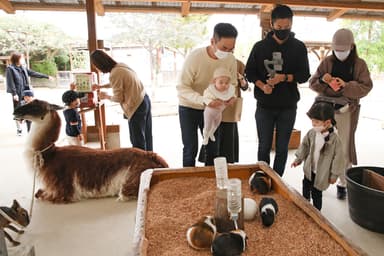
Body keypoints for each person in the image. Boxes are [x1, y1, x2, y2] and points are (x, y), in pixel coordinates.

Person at [244, 4, 310, 176]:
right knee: (264, 145)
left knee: (282, 148)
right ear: (272, 25)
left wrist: (285, 77)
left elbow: (304, 75)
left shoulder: (298, 47)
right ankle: (262, 177)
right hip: (264, 105)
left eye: (287, 27)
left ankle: (277, 180)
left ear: (291, 24)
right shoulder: (260, 47)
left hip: (288, 106)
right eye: (280, 27)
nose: (283, 30)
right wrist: (262, 85)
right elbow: (249, 72)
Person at [309, 28, 373, 200]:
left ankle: (343, 183)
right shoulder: (327, 62)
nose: (339, 53)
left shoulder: (359, 64)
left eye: (343, 50)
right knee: (321, 145)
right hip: (325, 111)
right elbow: (312, 83)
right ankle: (318, 181)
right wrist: (323, 80)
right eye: (336, 49)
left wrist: (346, 85)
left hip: (346, 111)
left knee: (344, 148)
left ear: (351, 47)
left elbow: (366, 87)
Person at [177, 23, 238, 167]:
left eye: (231, 49)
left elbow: (233, 84)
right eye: (224, 48)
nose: (227, 52)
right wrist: (204, 101)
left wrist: (230, 96)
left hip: (214, 109)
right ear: (212, 42)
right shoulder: (195, 57)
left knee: (212, 148)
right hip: (189, 107)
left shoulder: (230, 59)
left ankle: (210, 184)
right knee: (190, 148)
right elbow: (182, 87)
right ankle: (189, 183)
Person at [90, 49, 153, 151]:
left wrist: (106, 96)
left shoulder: (115, 73)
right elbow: (118, 83)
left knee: (137, 141)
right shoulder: (120, 66)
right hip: (144, 99)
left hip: (136, 105)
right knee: (146, 135)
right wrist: (100, 86)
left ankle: (142, 165)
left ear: (100, 64)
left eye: (96, 66)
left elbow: (118, 98)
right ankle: (151, 160)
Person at [291, 102, 345, 210]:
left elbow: (338, 158)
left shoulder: (335, 139)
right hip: (309, 169)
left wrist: (334, 175)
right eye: (312, 122)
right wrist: (299, 159)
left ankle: (316, 212)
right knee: (306, 187)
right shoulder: (312, 133)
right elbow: (305, 146)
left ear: (327, 122)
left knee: (316, 193)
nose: (313, 125)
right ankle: (305, 206)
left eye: (316, 122)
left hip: (321, 173)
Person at [6, 52, 52, 136]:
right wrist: (14, 94)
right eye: (22, 58)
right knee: (18, 111)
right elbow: (10, 82)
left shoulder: (23, 67)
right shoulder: (10, 69)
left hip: (27, 92)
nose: (23, 60)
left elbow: (32, 73)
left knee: (29, 109)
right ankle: (19, 128)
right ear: (17, 59)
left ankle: (29, 129)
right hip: (18, 94)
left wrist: (46, 76)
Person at [215, 59, 249, 163]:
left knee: (229, 136)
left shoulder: (237, 63)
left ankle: (229, 164)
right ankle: (211, 164)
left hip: (230, 106)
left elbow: (245, 86)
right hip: (214, 104)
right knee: (213, 136)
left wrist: (241, 79)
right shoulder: (212, 61)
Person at [202, 67, 236, 145]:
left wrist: (231, 100)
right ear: (214, 81)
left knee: (217, 124)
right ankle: (206, 137)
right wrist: (211, 102)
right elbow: (205, 98)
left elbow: (233, 96)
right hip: (209, 112)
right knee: (207, 125)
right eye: (221, 82)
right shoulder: (210, 90)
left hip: (219, 113)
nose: (224, 85)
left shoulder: (228, 91)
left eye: (226, 83)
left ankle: (211, 133)